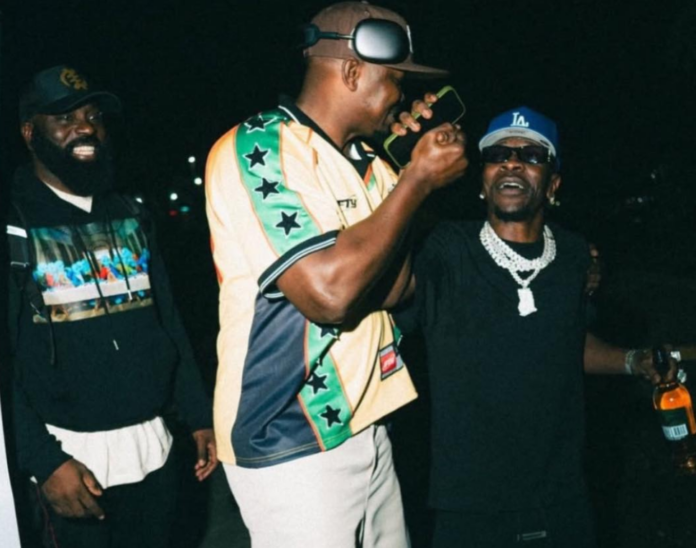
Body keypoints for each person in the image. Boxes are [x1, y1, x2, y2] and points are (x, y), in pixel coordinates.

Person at [204, 2, 467, 546]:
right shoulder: (261, 146)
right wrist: (416, 181)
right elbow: (330, 295)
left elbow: (395, 288)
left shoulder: (371, 164)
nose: (400, 98)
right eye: (394, 81)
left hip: (366, 422)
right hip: (289, 437)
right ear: (351, 72)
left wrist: (407, 177)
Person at [392, 106, 671, 547]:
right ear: (482, 180)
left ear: (553, 184)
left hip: (562, 497)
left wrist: (632, 361)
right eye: (498, 154)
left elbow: (566, 342)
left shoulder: (575, 255)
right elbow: (388, 293)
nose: (512, 162)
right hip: (470, 505)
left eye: (532, 155)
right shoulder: (446, 249)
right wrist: (400, 174)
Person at [6, 64, 217, 548]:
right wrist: (45, 461)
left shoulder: (131, 213)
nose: (85, 128)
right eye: (64, 118)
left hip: (155, 452)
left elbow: (168, 319)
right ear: (30, 132)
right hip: (71, 463)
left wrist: (197, 412)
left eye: (93, 116)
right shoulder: (14, 225)